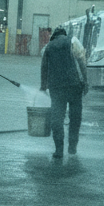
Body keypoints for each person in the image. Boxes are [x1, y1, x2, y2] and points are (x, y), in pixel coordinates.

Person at [40, 27, 88, 159]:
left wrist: (43, 86)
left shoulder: (48, 47)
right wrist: (86, 81)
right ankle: (72, 147)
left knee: (57, 119)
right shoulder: (73, 41)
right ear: (64, 35)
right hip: (74, 86)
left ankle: (58, 150)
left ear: (54, 36)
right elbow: (82, 61)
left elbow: (44, 67)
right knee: (75, 118)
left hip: (57, 88)